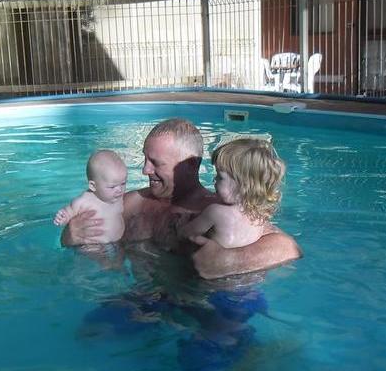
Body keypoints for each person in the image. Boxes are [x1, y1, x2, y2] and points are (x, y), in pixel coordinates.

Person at [61, 118, 301, 278]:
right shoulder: (131, 203)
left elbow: (288, 248)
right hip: (138, 300)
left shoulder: (218, 209)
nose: (145, 170)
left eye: (156, 163)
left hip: (192, 309)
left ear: (192, 166)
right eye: (145, 159)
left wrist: (230, 261)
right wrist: (70, 235)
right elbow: (74, 237)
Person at [178, 137, 285, 250]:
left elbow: (184, 234)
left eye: (220, 177)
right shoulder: (259, 217)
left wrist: (182, 222)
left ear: (243, 185)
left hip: (213, 265)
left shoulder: (215, 212)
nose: (214, 180)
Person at [54, 149, 127, 244]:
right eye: (112, 186)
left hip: (118, 242)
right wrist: (63, 217)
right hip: (92, 246)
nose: (119, 190)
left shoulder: (118, 198)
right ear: (93, 186)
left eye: (123, 183)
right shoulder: (85, 201)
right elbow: (69, 212)